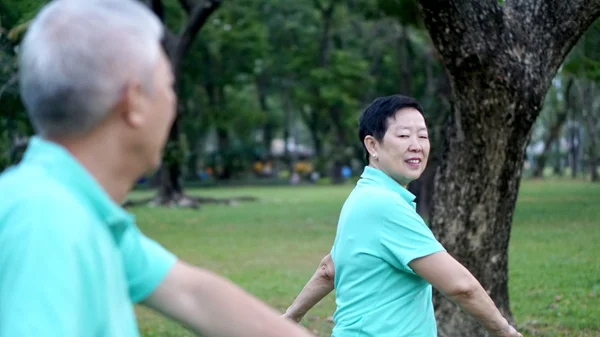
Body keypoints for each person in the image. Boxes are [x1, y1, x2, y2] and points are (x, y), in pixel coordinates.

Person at [0, 1, 316, 337]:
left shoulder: (79, 210)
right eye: (169, 86)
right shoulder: (46, 223)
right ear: (134, 102)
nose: (174, 105)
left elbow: (193, 295)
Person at [283, 95, 522, 337]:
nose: (416, 145)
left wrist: (290, 317)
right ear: (372, 145)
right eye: (404, 135)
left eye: (423, 136)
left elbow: (329, 269)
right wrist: (503, 331)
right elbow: (461, 287)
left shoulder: (362, 197)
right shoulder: (384, 205)